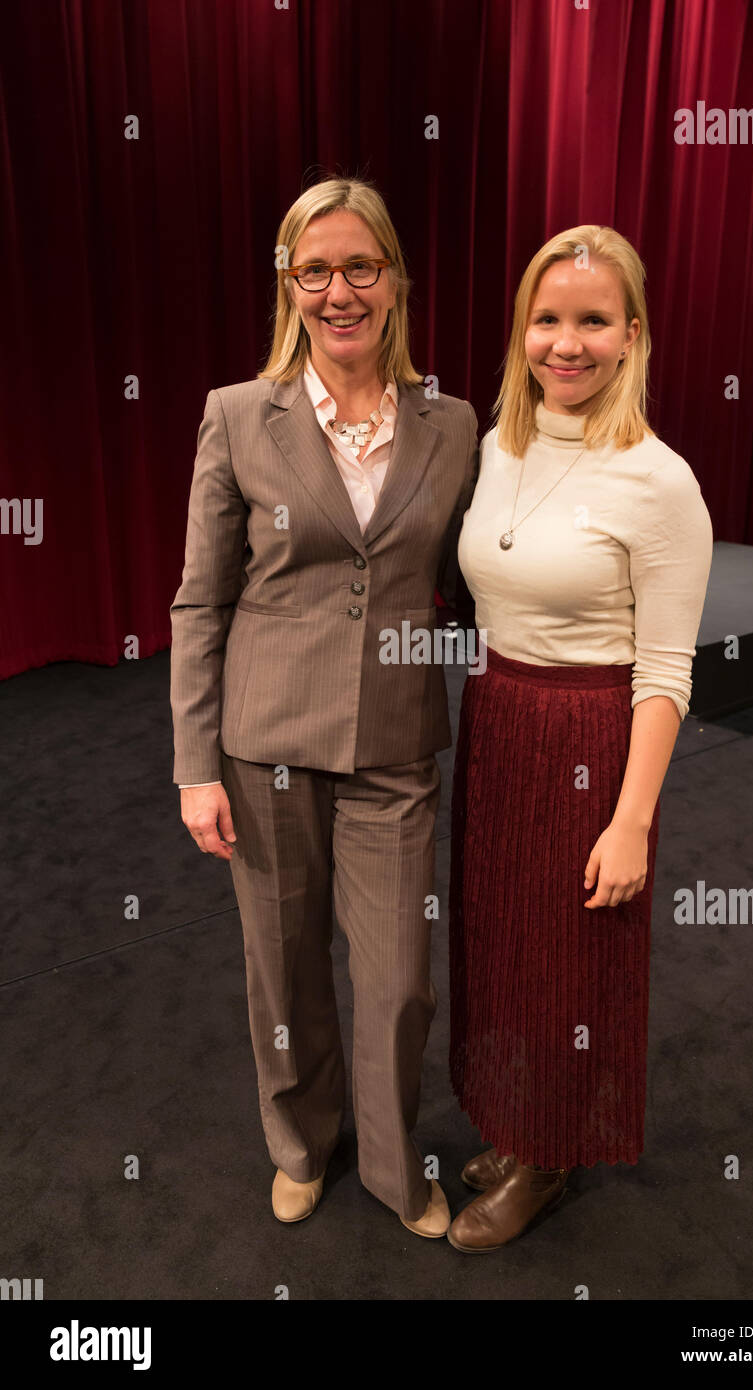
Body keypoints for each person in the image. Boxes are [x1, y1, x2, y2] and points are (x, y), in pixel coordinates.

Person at [169, 176, 477, 1237]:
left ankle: (397, 1172)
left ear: (393, 280)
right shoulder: (235, 417)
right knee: (285, 973)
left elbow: (473, 574)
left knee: (397, 983)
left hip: (395, 742)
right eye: (316, 270)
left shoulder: (454, 422)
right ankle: (300, 1143)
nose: (339, 290)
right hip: (265, 749)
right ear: (288, 285)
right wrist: (193, 764)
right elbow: (199, 599)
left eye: (360, 267)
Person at [447, 225, 713, 1252]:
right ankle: (516, 1127)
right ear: (521, 332)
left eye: (591, 320)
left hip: (589, 738)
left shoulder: (658, 480)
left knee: (567, 960)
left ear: (631, 334)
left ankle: (549, 1155)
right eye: (546, 319)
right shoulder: (499, 446)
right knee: (502, 940)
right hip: (499, 720)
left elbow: (664, 671)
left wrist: (631, 819)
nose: (566, 342)